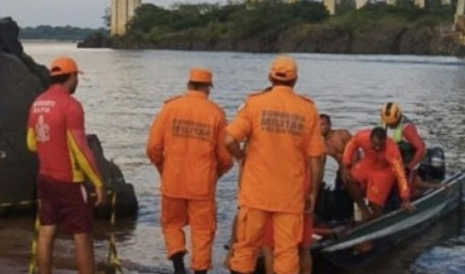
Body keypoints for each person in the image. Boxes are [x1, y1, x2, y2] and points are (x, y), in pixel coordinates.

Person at [225, 56, 324, 274]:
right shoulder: (308, 110)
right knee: (286, 252)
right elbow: (315, 158)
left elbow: (229, 140)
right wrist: (313, 193)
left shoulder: (254, 103)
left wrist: (242, 156)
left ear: (270, 77)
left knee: (246, 248)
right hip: (290, 196)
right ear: (295, 80)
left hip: (255, 193)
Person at [146, 68, 233, 274]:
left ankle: (178, 268)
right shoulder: (216, 113)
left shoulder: (170, 108)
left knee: (171, 225)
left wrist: (164, 169)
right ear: (207, 88)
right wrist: (216, 173)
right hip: (202, 186)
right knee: (203, 231)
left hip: (172, 182)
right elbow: (225, 157)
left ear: (189, 85)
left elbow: (153, 148)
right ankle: (200, 271)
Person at [26, 57, 105, 274]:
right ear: (71, 77)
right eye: (76, 77)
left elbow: (31, 143)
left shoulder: (37, 102)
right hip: (70, 180)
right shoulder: (71, 106)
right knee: (82, 237)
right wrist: (98, 182)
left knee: (46, 231)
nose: (77, 81)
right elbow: (80, 148)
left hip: (45, 177)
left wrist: (50, 147)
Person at [342, 127, 413, 221]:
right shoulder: (362, 136)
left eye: (380, 145)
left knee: (375, 203)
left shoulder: (392, 150)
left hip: (384, 171)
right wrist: (346, 164)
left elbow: (400, 173)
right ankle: (364, 211)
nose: (377, 148)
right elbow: (350, 145)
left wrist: (405, 197)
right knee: (349, 178)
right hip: (367, 164)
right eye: (375, 144)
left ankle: (375, 219)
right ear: (370, 138)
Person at [380, 102, 426, 192]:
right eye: (387, 123)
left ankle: (416, 190)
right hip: (395, 158)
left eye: (392, 123)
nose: (389, 125)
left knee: (407, 191)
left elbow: (421, 148)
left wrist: (410, 166)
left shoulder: (407, 129)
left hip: (410, 158)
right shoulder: (385, 122)